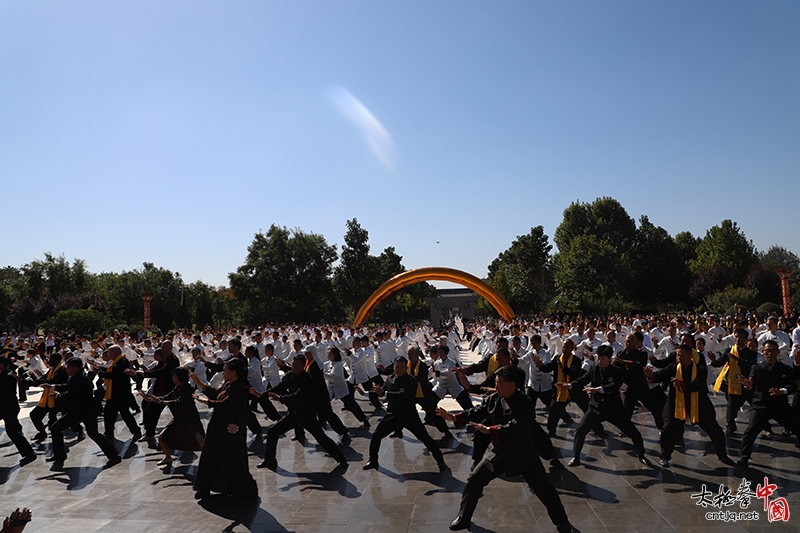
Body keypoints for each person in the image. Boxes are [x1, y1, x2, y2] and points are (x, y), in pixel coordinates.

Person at [437, 365, 573, 533]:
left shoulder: (526, 403)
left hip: (523, 454)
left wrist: (490, 431)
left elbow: (517, 427)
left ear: (512, 385)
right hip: (498, 451)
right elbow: (477, 411)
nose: (496, 387)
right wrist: (456, 417)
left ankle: (562, 521)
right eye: (495, 382)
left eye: (500, 383)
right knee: (474, 479)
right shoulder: (494, 399)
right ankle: (464, 517)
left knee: (545, 490)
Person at [559, 345, 649, 467]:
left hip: (613, 408)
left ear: (609, 359)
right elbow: (582, 380)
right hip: (595, 407)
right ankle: (576, 457)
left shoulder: (616, 371)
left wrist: (599, 389)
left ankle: (641, 455)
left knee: (633, 432)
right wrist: (569, 385)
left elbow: (615, 386)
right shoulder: (593, 368)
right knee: (581, 430)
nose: (598, 360)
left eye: (601, 358)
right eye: (597, 357)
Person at [646, 344, 733, 467]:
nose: (678, 357)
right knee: (667, 429)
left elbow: (699, 386)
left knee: (716, 431)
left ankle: (723, 456)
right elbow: (660, 375)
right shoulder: (674, 367)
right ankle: (664, 457)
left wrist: (681, 383)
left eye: (681, 355)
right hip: (676, 403)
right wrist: (650, 375)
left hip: (698, 404)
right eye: (677, 354)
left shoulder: (700, 369)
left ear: (690, 356)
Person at [256, 354, 347, 471]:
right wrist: (263, 395)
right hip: (293, 415)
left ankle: (341, 459)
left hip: (307, 415)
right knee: (272, 431)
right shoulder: (289, 376)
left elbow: (298, 396)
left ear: (303, 366)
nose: (293, 367)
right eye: (293, 364)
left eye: (296, 365)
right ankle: (269, 461)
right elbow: (278, 387)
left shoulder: (307, 379)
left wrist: (281, 398)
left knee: (321, 438)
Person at [363, 356, 447, 472]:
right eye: (397, 367)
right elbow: (382, 391)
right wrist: (366, 393)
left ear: (405, 367)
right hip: (393, 415)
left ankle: (440, 460)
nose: (399, 369)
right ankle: (373, 460)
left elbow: (402, 395)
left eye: (402, 367)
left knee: (425, 438)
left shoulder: (411, 380)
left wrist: (384, 393)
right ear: (394, 367)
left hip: (409, 416)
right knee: (377, 435)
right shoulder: (390, 378)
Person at [190, 358, 258, 500]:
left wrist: (205, 401)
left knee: (231, 458)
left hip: (231, 428)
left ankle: (237, 488)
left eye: (226, 370)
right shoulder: (228, 384)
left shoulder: (239, 387)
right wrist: (199, 383)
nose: (223, 372)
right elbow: (217, 394)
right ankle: (205, 487)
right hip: (218, 425)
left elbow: (224, 403)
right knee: (211, 455)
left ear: (234, 372)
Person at [48, 357, 121, 468]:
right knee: (55, 428)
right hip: (77, 411)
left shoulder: (81, 379)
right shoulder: (75, 377)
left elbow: (71, 394)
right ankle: (59, 455)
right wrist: (53, 387)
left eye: (68, 367)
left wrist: (58, 396)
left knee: (93, 434)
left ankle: (114, 456)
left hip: (87, 411)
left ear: (75, 367)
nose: (66, 369)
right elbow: (68, 387)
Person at [736, 339, 800, 467]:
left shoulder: (785, 369)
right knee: (751, 431)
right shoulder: (757, 368)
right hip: (761, 405)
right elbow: (751, 384)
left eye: (772, 351)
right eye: (766, 351)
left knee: (797, 427)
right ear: (763, 352)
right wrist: (748, 385)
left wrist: (782, 391)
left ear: (777, 352)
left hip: (780, 405)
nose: (769, 353)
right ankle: (743, 458)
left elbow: (793, 386)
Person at [141, 367, 204, 467]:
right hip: (179, 418)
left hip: (190, 419)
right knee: (161, 437)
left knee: (202, 442)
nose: (173, 377)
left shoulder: (188, 388)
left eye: (174, 375)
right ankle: (168, 457)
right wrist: (150, 399)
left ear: (180, 377)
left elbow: (178, 402)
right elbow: (167, 396)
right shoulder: (177, 387)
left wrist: (162, 402)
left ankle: (214, 459)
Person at [708, 328, 758, 436]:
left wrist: (738, 360)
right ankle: (730, 427)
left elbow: (751, 364)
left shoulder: (751, 353)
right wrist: (714, 361)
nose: (737, 339)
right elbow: (720, 363)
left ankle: (765, 426)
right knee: (731, 408)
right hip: (733, 383)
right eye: (736, 337)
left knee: (757, 406)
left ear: (746, 339)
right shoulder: (729, 351)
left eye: (740, 337)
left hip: (746, 385)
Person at [93, 346, 141, 441]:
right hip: (113, 393)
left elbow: (115, 375)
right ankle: (109, 433)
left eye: (110, 353)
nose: (108, 355)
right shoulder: (116, 362)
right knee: (108, 413)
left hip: (121, 392)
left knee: (125, 413)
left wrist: (100, 373)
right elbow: (110, 371)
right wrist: (101, 369)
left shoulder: (122, 361)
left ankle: (136, 431)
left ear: (115, 353)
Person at [0, 357, 36, 466]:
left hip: (8, 408)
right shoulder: (6, 375)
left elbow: (5, 393)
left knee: (12, 432)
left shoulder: (9, 377)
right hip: (5, 408)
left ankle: (29, 453)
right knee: (14, 430)